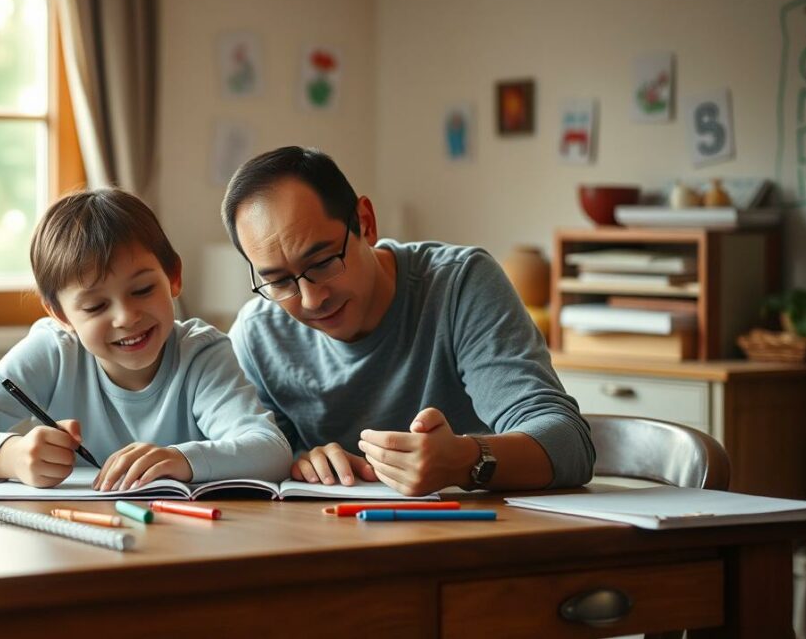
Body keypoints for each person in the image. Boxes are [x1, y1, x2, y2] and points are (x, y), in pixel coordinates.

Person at [222, 146, 594, 496]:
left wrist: (463, 461)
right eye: (280, 281)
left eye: (322, 263)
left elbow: (569, 443)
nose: (311, 299)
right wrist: (298, 463)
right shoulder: (258, 336)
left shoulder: (459, 286)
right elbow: (249, 463)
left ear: (365, 223)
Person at [0, 189, 291, 490]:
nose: (126, 317)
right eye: (95, 307)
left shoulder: (200, 354)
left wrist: (182, 460)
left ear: (173, 276)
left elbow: (270, 451)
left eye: (143, 290)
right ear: (61, 315)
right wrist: (10, 455)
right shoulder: (53, 352)